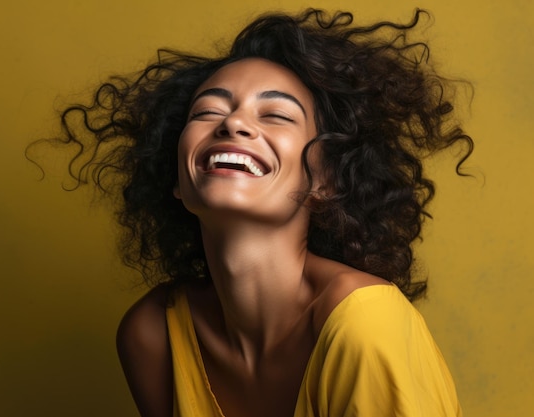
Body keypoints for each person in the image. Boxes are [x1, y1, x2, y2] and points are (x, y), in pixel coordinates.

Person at [54, 8, 473, 417]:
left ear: (325, 182)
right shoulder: (153, 334)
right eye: (207, 112)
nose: (233, 124)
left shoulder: (366, 325)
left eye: (275, 115)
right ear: (177, 181)